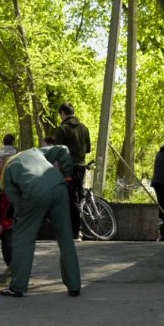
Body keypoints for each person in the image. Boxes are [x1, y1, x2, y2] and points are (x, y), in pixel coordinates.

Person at [0, 148, 81, 298]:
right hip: (58, 185)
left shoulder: (7, 169)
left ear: (1, 162)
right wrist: (68, 175)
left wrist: (28, 217)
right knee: (65, 238)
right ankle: (74, 286)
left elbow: (17, 202)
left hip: (34, 191)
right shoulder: (35, 152)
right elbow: (63, 150)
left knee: (23, 239)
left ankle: (17, 287)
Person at [52, 102, 91, 239]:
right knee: (78, 196)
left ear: (62, 113)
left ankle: (75, 230)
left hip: (67, 168)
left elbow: (57, 151)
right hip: (81, 166)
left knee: (69, 198)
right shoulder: (84, 128)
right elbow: (88, 149)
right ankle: (78, 229)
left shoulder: (62, 129)